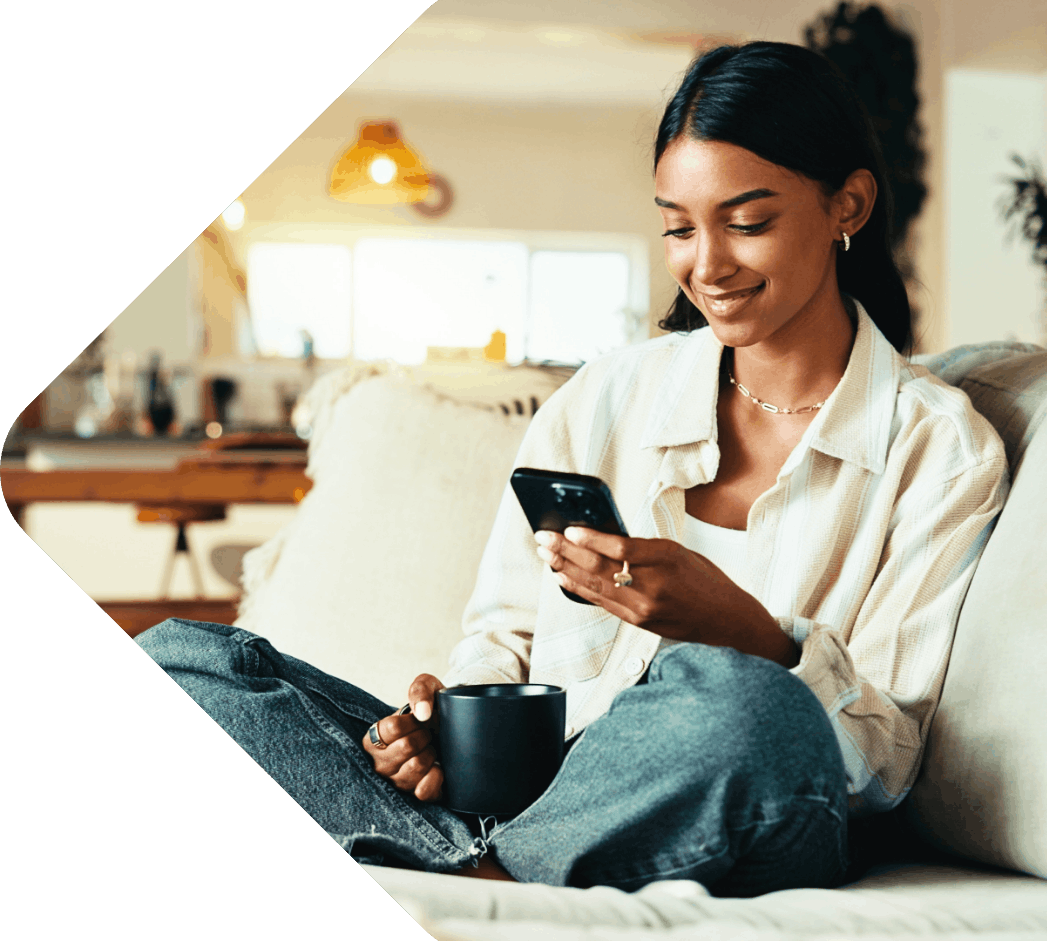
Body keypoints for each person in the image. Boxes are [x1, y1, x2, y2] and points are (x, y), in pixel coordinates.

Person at [136, 41, 1008, 896]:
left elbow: (888, 758)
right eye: (676, 227)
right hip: (534, 793)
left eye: (747, 223)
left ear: (846, 204)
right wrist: (447, 727)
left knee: (745, 701)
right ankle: (482, 854)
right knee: (185, 659)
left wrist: (745, 630)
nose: (706, 265)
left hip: (755, 785)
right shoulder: (606, 397)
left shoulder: (936, 448)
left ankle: (475, 858)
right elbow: (502, 637)